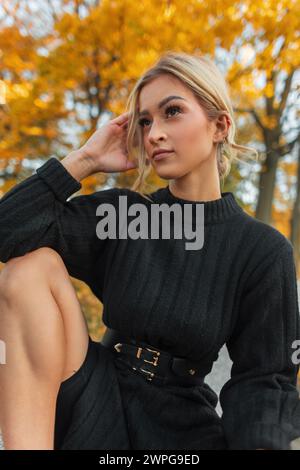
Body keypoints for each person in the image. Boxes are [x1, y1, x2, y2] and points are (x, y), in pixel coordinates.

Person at [0, 51, 300, 450]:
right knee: (30, 266)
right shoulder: (123, 215)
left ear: (219, 126)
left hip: (181, 427)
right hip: (94, 395)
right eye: (144, 121)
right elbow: (8, 233)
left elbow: (265, 381)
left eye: (172, 112)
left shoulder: (261, 249)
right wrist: (85, 160)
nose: (154, 132)